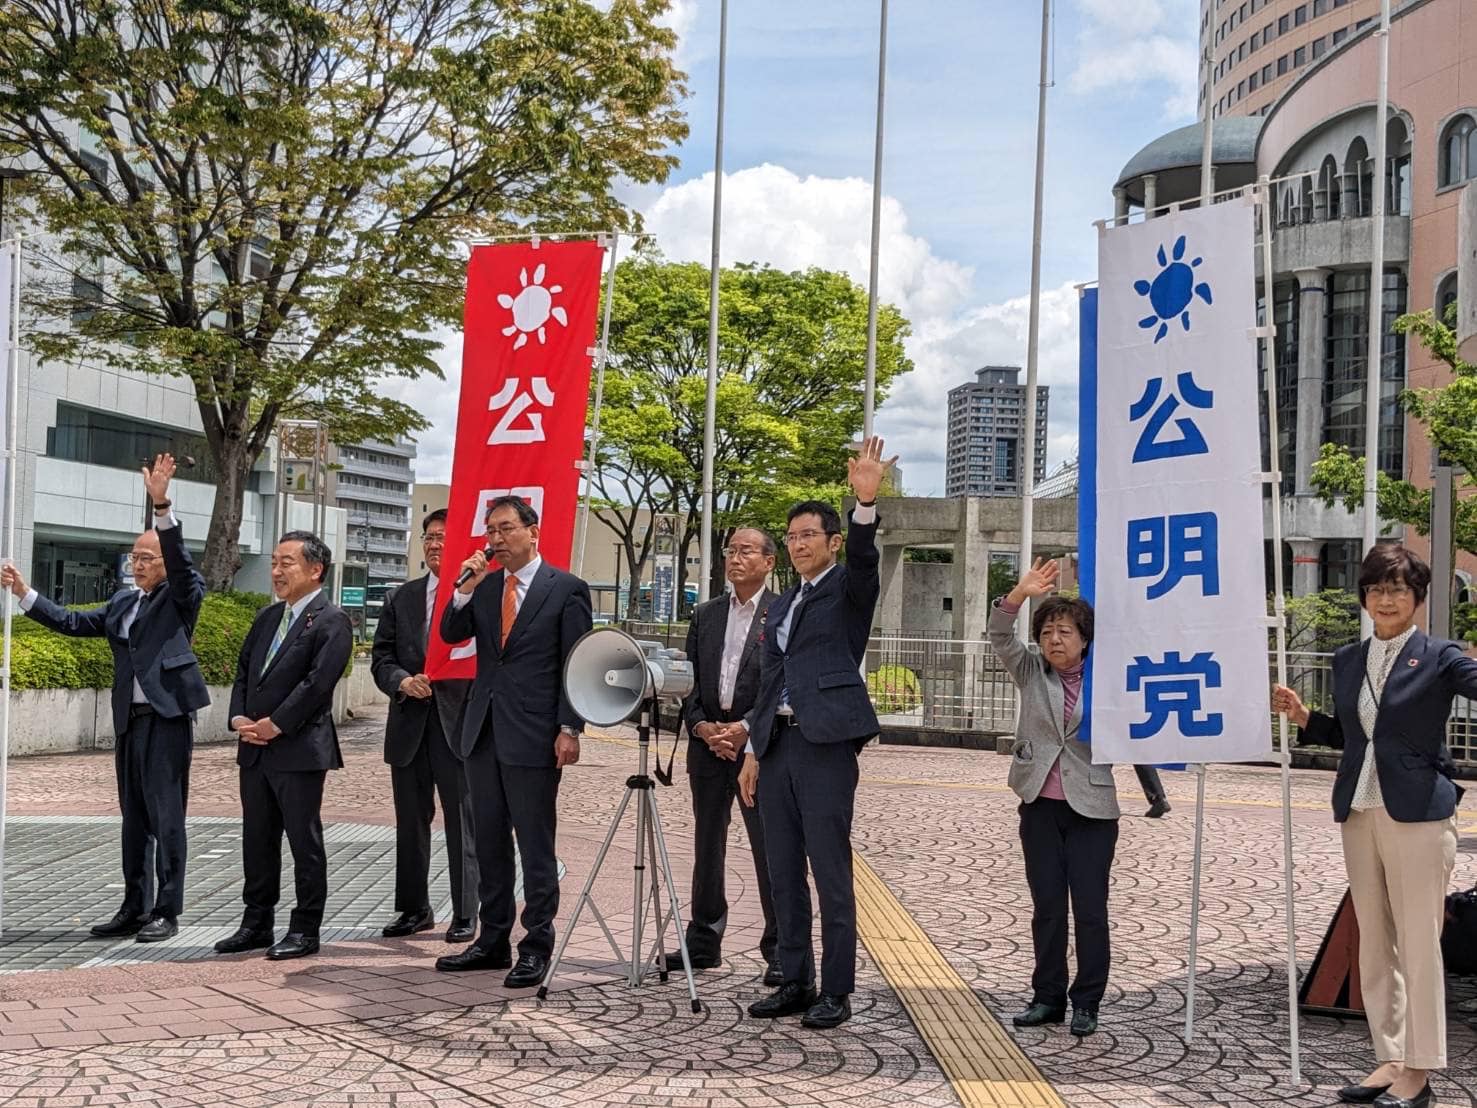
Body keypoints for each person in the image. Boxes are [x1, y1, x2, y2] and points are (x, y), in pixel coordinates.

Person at [1273, 543, 1476, 1108]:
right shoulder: (1348, 659)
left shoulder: (1441, 656)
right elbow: (1356, 737)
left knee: (1419, 943)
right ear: (1365, 597)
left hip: (1418, 814)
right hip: (1359, 811)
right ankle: (1390, 1057)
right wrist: (1305, 718)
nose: (1386, 599)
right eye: (1377, 588)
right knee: (1375, 944)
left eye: (1398, 589)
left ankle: (1421, 1069)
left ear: (1417, 598)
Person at [1, 454, 208, 943]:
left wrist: (162, 507)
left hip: (167, 718)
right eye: (132, 558)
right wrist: (25, 594)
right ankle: (133, 906)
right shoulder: (122, 601)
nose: (136, 566)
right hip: (129, 722)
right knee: (133, 817)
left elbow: (181, 566)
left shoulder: (183, 594)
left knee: (166, 816)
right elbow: (75, 623)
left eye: (146, 559)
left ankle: (167, 910)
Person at [738, 435, 895, 1031]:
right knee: (781, 869)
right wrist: (754, 749)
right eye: (793, 536)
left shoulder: (849, 589)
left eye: (810, 535)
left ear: (830, 542)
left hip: (825, 744)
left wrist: (864, 504)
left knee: (829, 869)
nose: (800, 544)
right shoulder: (780, 604)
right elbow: (769, 681)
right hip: (777, 745)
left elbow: (863, 559)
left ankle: (837, 989)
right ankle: (794, 978)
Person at [435, 495, 593, 988]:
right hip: (482, 731)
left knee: (535, 844)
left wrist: (570, 728)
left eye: (506, 529)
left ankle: (537, 944)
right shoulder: (484, 587)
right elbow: (449, 633)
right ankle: (491, 939)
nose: (497, 539)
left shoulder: (565, 589)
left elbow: (576, 663)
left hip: (534, 735)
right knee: (489, 841)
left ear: (533, 531)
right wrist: (463, 588)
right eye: (491, 531)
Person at [988, 557, 1118, 1039]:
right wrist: (1020, 595)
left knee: (1089, 909)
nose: (1054, 640)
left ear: (1084, 638)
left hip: (1092, 810)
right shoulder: (1031, 671)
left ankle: (1087, 1001)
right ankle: (1047, 997)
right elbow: (1000, 635)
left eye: (1064, 631)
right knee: (1046, 905)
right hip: (1039, 803)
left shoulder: (1110, 679)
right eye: (1047, 632)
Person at [217, 531, 352, 961]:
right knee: (257, 838)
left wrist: (276, 724)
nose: (276, 571)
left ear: (316, 570)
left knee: (303, 839)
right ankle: (256, 922)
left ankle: (305, 927)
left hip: (298, 749)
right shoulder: (266, 618)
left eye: (287, 563)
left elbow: (318, 685)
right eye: (274, 562)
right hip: (254, 748)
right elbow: (244, 672)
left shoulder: (332, 620)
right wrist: (239, 717)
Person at [674, 526, 780, 985]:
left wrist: (746, 728)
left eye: (747, 551)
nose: (735, 558)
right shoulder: (707, 614)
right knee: (706, 843)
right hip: (708, 745)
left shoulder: (782, 614)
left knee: (770, 848)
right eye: (730, 550)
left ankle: (780, 947)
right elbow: (689, 681)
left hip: (759, 748)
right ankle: (703, 941)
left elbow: (783, 684)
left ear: (769, 562)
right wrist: (701, 725)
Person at [371, 509, 478, 944]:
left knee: (462, 822)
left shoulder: (478, 597)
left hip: (457, 726)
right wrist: (401, 681)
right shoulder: (402, 598)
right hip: (410, 724)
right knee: (411, 823)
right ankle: (414, 908)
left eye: (444, 538)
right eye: (429, 537)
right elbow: (381, 658)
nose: (435, 545)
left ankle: (467, 912)